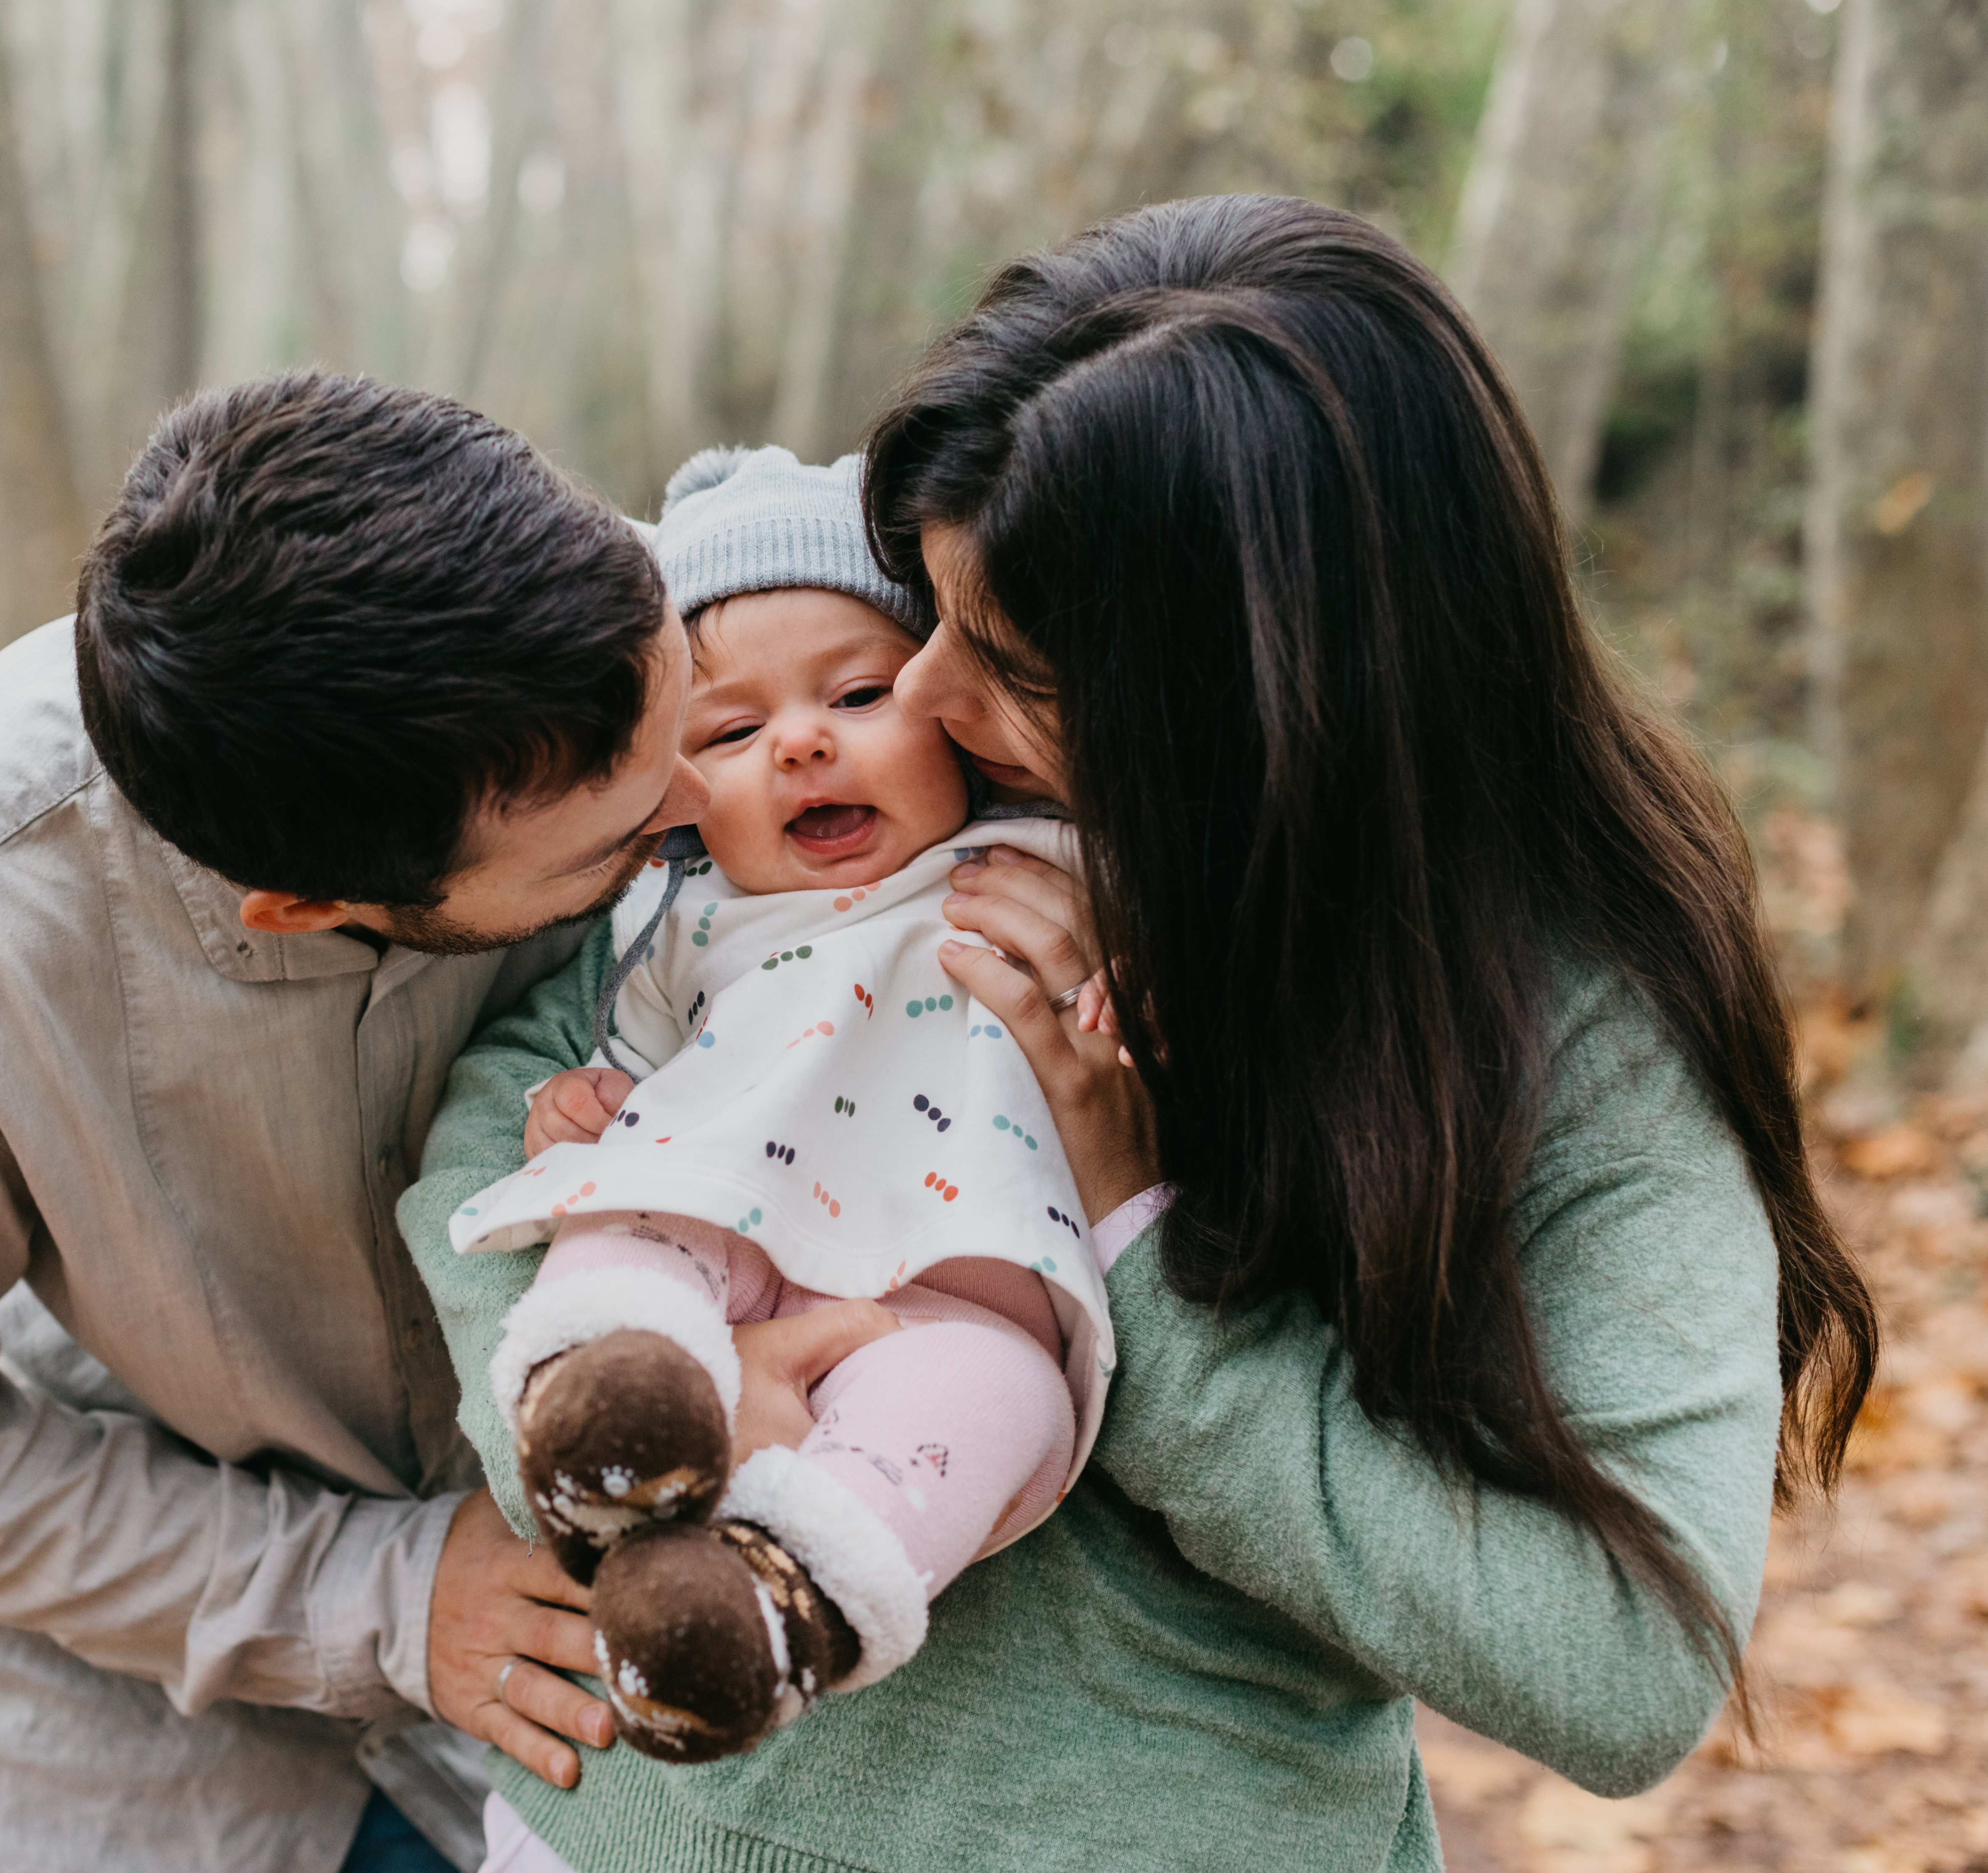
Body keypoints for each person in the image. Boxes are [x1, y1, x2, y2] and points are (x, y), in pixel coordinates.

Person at [396, 195, 1878, 1873]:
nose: (922, 695)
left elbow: (1618, 1669)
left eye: (1011, 662)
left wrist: (1128, 1238)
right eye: (928, 616)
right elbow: (514, 1087)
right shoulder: (882, 804)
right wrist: (623, 1444)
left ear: (1262, 699)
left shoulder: (1571, 1036)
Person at [0, 369, 784, 1873]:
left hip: (562, 1719)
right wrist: (382, 1594)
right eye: (614, 841)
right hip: (78, 1748)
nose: (706, 804)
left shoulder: (649, 611)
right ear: (302, 907)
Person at [448, 446, 1109, 1765]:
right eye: (733, 733)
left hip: (956, 1282)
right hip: (738, 1215)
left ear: (949, 710)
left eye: (858, 695)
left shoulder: (1044, 859)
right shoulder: (681, 917)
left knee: (1006, 1397)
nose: (803, 743)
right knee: (635, 1209)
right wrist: (586, 1108)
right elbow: (633, 1070)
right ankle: (608, 1399)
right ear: (683, 794)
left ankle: (773, 1602)